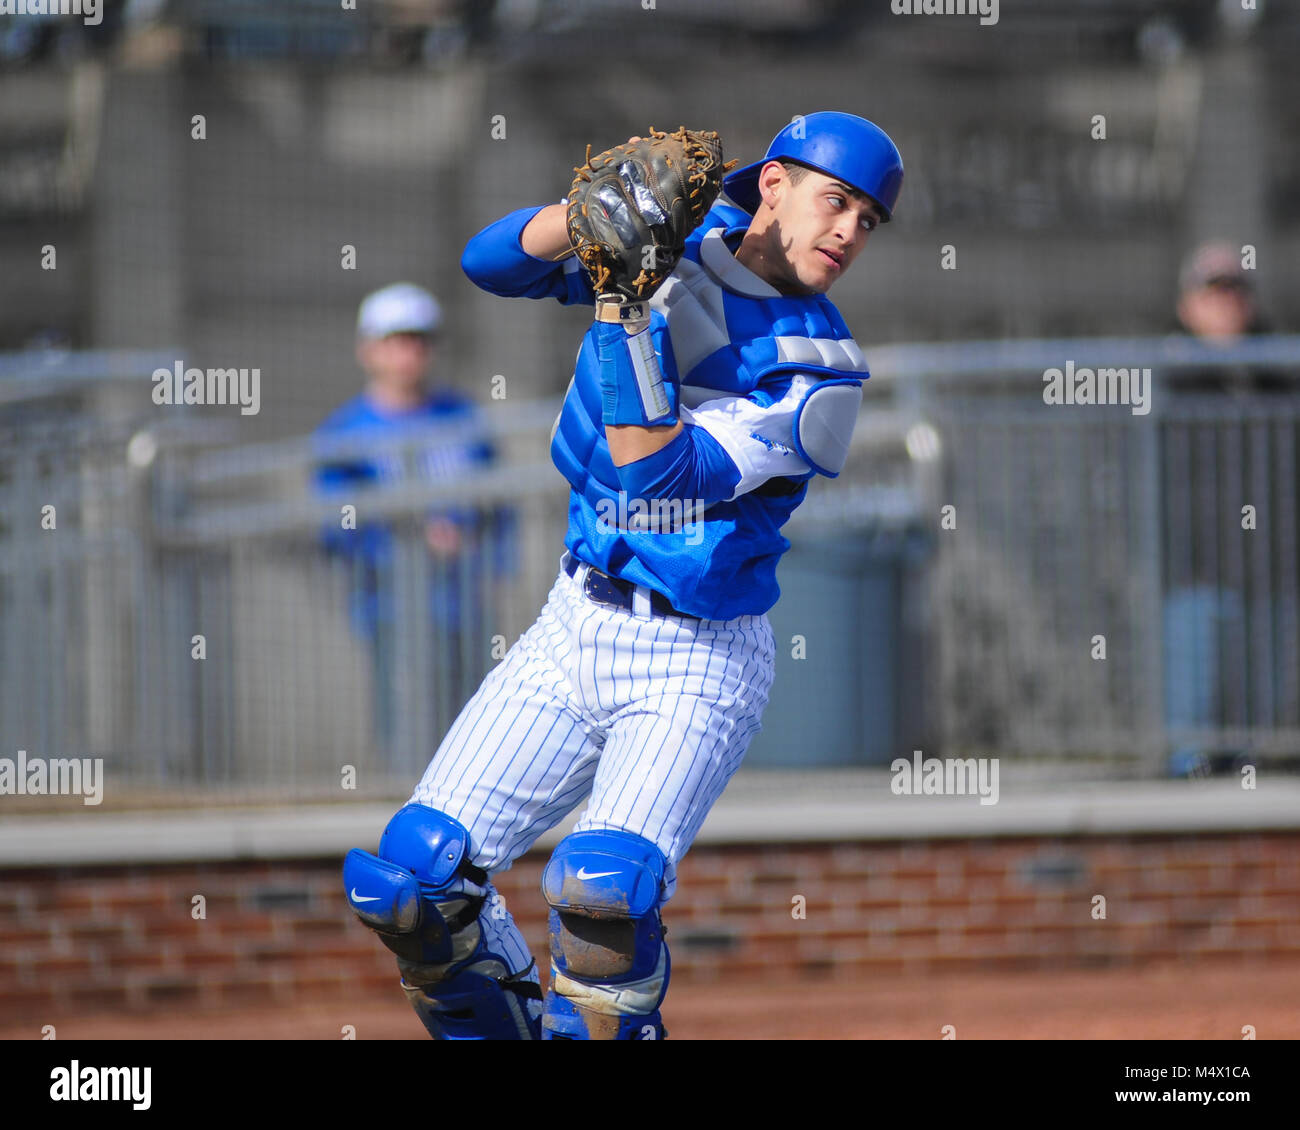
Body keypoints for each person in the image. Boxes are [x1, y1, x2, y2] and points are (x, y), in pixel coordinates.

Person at [342, 113, 904, 1039]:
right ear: (773, 185)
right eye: (835, 200)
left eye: (868, 220)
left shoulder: (822, 373)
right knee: (413, 883)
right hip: (575, 620)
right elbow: (489, 265)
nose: (849, 230)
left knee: (602, 897)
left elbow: (658, 478)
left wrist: (623, 304)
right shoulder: (677, 243)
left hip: (696, 656)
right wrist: (583, 217)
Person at [315, 283, 498, 768]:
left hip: (459, 602)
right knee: (406, 727)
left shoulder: (462, 415)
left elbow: (496, 503)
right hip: (388, 606)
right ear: (367, 350)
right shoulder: (345, 432)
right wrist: (408, 542)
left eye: (419, 340)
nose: (409, 353)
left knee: (470, 722)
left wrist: (481, 557)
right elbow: (334, 525)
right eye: (395, 340)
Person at [1162, 242, 1286, 776]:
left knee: (1262, 712)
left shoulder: (1280, 374)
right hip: (1198, 567)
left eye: (1235, 292)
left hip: (1272, 571)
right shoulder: (1169, 380)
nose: (1226, 305)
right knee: (1196, 710)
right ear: (1188, 306)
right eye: (1212, 294)